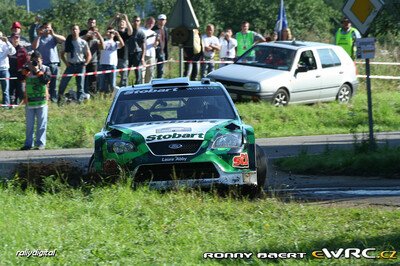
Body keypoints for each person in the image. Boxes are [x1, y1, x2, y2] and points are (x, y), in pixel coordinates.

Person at [20, 51, 51, 150]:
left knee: (42, 124)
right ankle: (28, 144)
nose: (36, 63)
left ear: (41, 60)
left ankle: (40, 143)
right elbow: (19, 78)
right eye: (34, 61)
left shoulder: (46, 68)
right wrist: (26, 69)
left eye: (37, 61)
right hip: (30, 101)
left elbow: (46, 80)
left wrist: (37, 71)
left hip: (42, 101)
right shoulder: (27, 69)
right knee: (29, 125)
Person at [58, 25, 92, 105]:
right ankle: (60, 100)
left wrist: (86, 63)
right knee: (63, 83)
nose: (74, 31)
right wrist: (66, 63)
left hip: (80, 65)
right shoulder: (67, 42)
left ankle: (79, 102)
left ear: (79, 31)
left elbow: (88, 54)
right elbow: (62, 54)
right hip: (71, 65)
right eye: (73, 29)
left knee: (80, 86)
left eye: (76, 29)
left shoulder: (83, 42)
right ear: (71, 31)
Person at [32, 22, 65, 103]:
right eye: (45, 27)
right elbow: (34, 47)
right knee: (44, 83)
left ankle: (54, 100)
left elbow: (64, 39)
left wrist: (53, 34)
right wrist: (39, 35)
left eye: (48, 27)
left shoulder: (53, 37)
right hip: (43, 65)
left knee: (54, 84)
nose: (47, 29)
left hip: (54, 64)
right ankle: (45, 100)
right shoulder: (40, 38)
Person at [108, 13, 133, 86]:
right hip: (113, 57)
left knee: (124, 77)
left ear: (126, 25)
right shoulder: (114, 33)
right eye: (120, 22)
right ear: (118, 24)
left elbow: (130, 31)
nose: (122, 23)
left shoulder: (126, 33)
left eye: (123, 22)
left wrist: (126, 19)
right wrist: (114, 18)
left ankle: (124, 90)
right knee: (112, 77)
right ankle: (112, 90)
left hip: (123, 57)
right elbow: (108, 27)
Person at [97, 27, 124, 94]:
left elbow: (122, 44)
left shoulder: (116, 43)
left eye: (112, 33)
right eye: (109, 32)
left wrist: (118, 35)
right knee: (102, 83)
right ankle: (102, 96)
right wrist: (103, 35)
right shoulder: (103, 41)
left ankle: (112, 96)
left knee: (112, 84)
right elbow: (101, 45)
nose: (110, 34)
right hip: (103, 64)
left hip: (112, 65)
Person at [9, 33, 29, 104]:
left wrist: (24, 70)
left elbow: (27, 61)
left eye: (17, 38)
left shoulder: (22, 50)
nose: (16, 39)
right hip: (10, 72)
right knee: (10, 90)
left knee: (20, 90)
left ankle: (20, 105)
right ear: (11, 39)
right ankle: (11, 105)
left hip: (20, 73)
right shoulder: (8, 48)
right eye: (14, 38)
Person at [81, 26, 100, 94]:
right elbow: (79, 40)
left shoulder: (96, 41)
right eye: (92, 31)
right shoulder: (84, 39)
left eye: (95, 32)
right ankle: (84, 93)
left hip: (93, 62)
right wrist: (86, 35)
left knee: (93, 79)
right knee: (83, 79)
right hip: (84, 61)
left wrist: (98, 35)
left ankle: (93, 93)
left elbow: (102, 46)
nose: (93, 33)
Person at [127, 16, 146, 84]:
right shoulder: (128, 31)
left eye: (137, 21)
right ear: (132, 22)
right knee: (126, 73)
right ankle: (123, 87)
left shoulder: (141, 33)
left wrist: (143, 57)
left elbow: (144, 46)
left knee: (138, 73)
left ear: (140, 22)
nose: (136, 22)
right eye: (134, 21)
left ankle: (138, 86)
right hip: (128, 54)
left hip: (137, 54)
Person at [0, 31, 16, 105]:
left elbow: (13, 52)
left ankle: (6, 105)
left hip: (4, 69)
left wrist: (7, 42)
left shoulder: (5, 44)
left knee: (5, 89)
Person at [152, 14, 169, 78]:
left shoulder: (166, 29)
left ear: (165, 21)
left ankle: (159, 85)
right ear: (157, 20)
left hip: (162, 53)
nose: (162, 21)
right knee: (152, 71)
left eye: (163, 20)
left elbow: (166, 43)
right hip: (154, 53)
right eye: (160, 20)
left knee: (161, 71)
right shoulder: (153, 29)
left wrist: (167, 55)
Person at [142, 17, 158, 83]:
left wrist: (156, 42)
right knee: (142, 73)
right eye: (150, 22)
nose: (151, 24)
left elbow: (154, 46)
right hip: (143, 54)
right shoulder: (141, 30)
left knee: (150, 73)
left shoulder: (154, 32)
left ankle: (148, 86)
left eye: (153, 23)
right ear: (146, 22)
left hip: (152, 55)